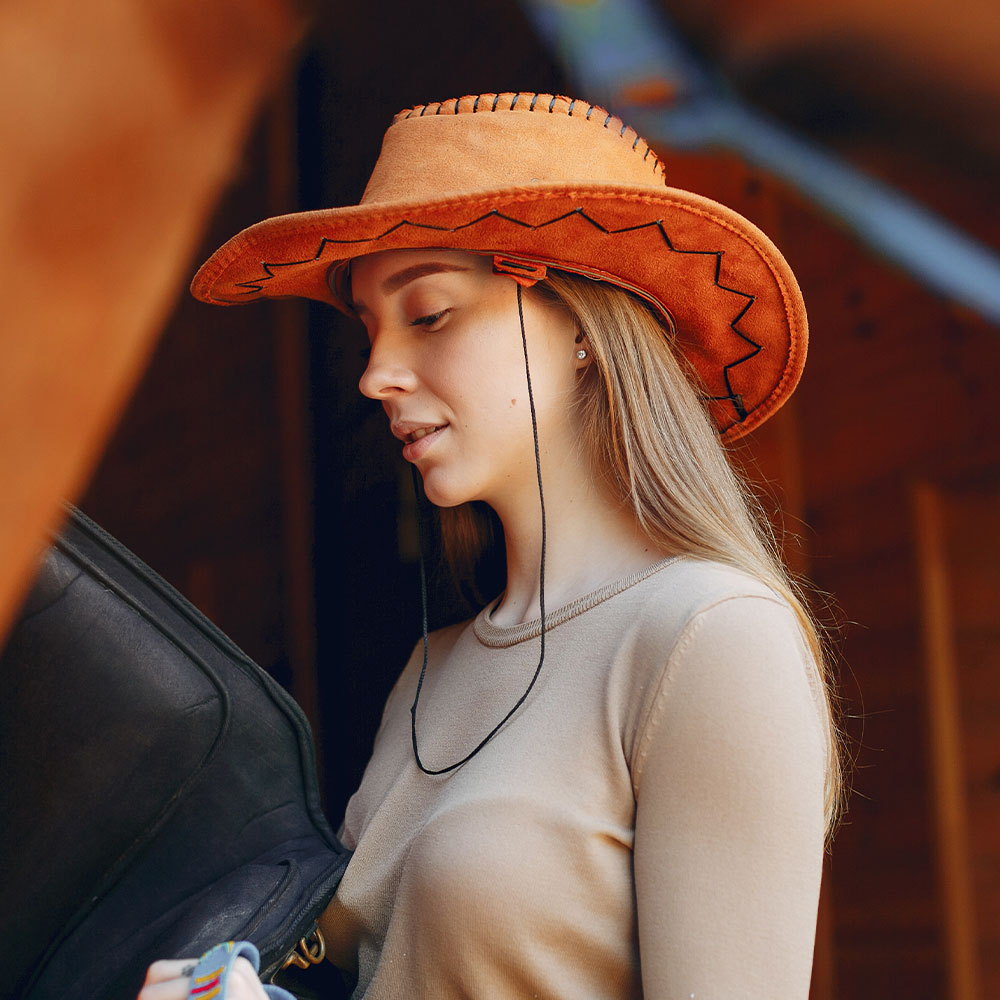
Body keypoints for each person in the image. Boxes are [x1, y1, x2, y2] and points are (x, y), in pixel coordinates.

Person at [143, 92, 840, 1000]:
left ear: (585, 329)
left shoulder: (709, 640)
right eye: (367, 327)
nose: (374, 374)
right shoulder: (432, 668)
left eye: (429, 313)